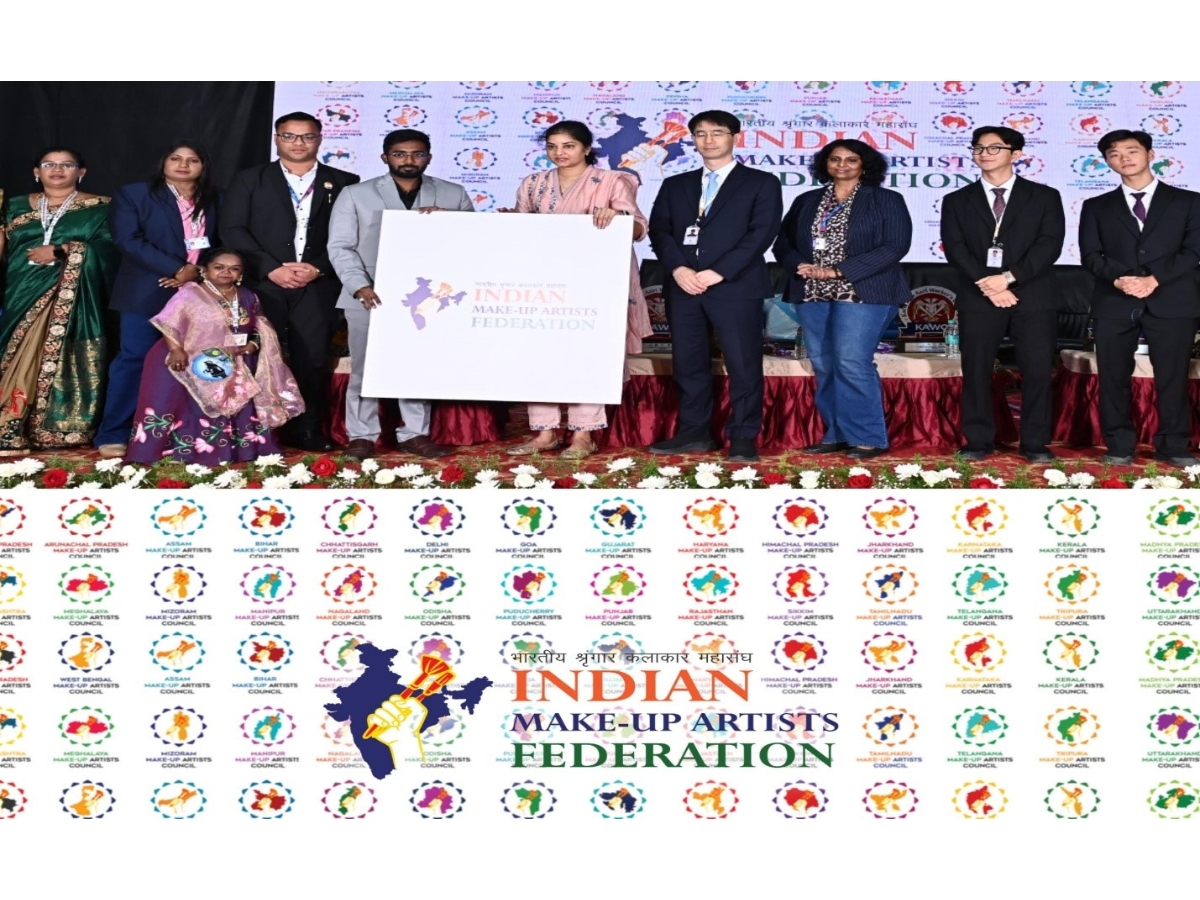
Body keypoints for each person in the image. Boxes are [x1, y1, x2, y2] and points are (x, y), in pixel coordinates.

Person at [502, 120, 653, 460]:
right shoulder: (533, 183)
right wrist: (510, 221)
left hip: (594, 286)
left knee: (589, 353)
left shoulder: (613, 181)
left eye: (568, 145)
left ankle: (583, 434)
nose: (559, 152)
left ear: (586, 148)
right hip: (542, 284)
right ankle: (544, 432)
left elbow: (639, 228)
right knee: (539, 353)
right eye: (552, 146)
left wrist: (617, 216)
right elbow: (522, 230)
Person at [328, 128, 474, 461]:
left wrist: (452, 223)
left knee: (417, 363)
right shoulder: (355, 194)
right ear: (385, 157)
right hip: (369, 294)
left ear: (429, 157)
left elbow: (472, 242)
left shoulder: (453, 194)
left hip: (428, 299)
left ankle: (414, 433)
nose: (408, 160)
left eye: (417, 154)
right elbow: (340, 246)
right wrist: (359, 285)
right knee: (365, 367)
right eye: (399, 154)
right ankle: (361, 435)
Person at [648, 110, 783, 462]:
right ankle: (694, 432)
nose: (708, 140)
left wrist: (718, 272)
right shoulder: (676, 184)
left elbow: (761, 233)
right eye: (700, 134)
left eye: (717, 133)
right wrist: (678, 268)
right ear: (692, 139)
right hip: (683, 286)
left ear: (736, 137)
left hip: (735, 286)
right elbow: (659, 230)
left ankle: (743, 435)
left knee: (743, 364)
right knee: (688, 363)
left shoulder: (761, 182)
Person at [222, 111, 360, 452]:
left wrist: (319, 267)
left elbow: (355, 233)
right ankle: (256, 431)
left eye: (307, 136)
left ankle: (307, 430)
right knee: (257, 355)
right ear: (277, 139)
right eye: (289, 136)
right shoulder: (250, 178)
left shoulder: (345, 181)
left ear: (319, 139)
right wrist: (270, 268)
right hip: (263, 282)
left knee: (312, 359)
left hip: (317, 284)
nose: (298, 143)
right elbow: (232, 228)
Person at [773, 139, 912, 459]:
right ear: (825, 164)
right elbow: (783, 243)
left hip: (863, 291)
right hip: (812, 290)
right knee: (824, 364)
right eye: (835, 159)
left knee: (851, 361)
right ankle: (836, 433)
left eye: (851, 160)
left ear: (865, 165)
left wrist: (838, 271)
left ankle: (868, 438)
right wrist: (799, 266)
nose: (842, 165)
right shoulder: (807, 199)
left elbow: (895, 246)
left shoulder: (886, 199)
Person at [941, 125, 1065, 463]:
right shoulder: (957, 200)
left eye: (994, 148)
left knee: (1037, 370)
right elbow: (956, 248)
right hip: (979, 295)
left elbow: (1049, 245)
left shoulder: (1044, 196)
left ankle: (1035, 443)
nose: (985, 154)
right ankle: (978, 440)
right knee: (976, 370)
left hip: (1033, 295)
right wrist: (988, 283)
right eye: (979, 148)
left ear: (1016, 154)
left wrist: (1007, 279)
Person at [1079, 129, 1200, 467]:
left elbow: (1194, 251)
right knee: (1113, 376)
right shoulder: (1096, 206)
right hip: (1115, 299)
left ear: (1150, 154)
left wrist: (1154, 279)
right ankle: (1119, 445)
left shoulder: (1189, 201)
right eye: (1114, 154)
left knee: (1173, 377)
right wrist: (1120, 280)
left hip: (1172, 299)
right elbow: (1091, 255)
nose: (1124, 158)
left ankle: (1173, 445)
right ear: (1107, 162)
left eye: (1132, 151)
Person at [94, 141, 220, 458]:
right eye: (175, 158)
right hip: (146, 288)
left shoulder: (213, 197)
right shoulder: (135, 194)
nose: (183, 164)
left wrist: (197, 272)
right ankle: (113, 434)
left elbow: (220, 242)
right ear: (163, 162)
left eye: (193, 160)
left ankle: (188, 433)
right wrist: (177, 269)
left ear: (203, 166)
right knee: (134, 358)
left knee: (199, 361)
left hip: (198, 291)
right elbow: (128, 239)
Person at [125, 247, 304, 463]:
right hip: (188, 359)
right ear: (204, 270)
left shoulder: (248, 296)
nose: (226, 272)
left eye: (234, 269)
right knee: (187, 406)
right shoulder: (190, 294)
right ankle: (184, 453)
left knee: (238, 402)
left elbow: (260, 325)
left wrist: (254, 344)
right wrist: (176, 350)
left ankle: (236, 451)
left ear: (241, 273)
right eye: (219, 267)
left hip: (236, 360)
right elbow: (168, 323)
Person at [0, 147, 119, 453]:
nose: (57, 169)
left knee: (55, 349)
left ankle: (51, 427)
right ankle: (9, 423)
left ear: (81, 172)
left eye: (67, 165)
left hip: (75, 293)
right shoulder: (11, 206)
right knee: (18, 350)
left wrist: (63, 250)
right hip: (21, 290)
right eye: (49, 164)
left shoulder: (103, 207)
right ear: (36, 171)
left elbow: (111, 250)